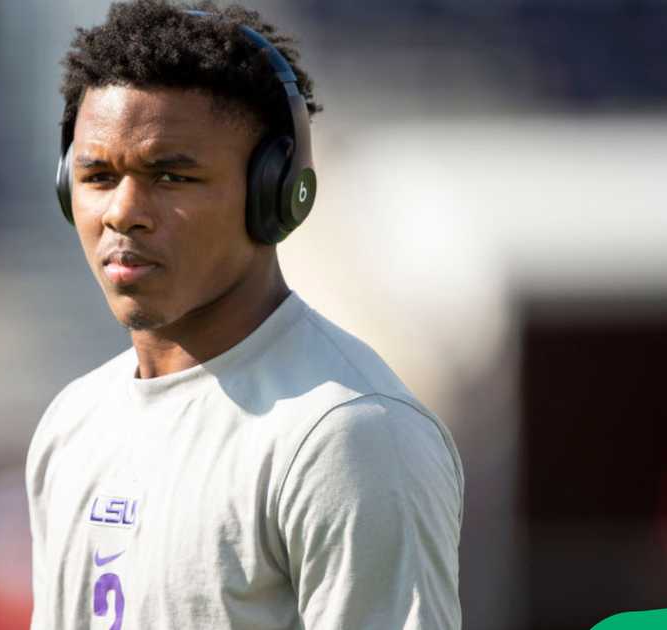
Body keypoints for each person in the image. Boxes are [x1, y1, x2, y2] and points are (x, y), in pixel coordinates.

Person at [25, 1, 464, 628]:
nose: (122, 212)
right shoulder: (73, 423)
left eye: (172, 177)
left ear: (275, 191)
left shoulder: (347, 437)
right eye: (97, 175)